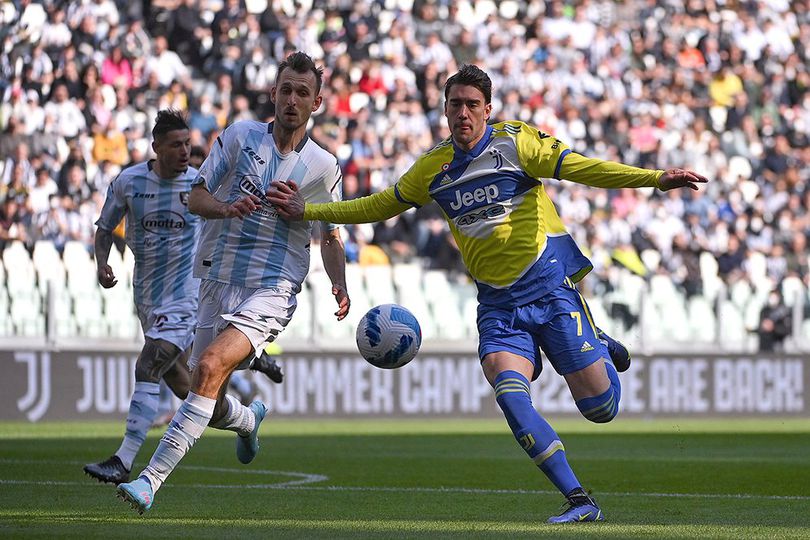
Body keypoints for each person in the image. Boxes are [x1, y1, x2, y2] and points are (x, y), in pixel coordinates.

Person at [267, 64, 708, 523]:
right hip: (497, 305)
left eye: (472, 105)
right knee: (510, 394)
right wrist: (309, 211)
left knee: (601, 409)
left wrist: (654, 178)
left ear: (487, 110)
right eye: (455, 104)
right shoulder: (433, 168)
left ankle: (596, 342)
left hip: (550, 290)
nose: (463, 113)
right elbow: (379, 205)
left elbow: (583, 168)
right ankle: (580, 500)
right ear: (444, 109)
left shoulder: (516, 143)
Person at [117, 52, 350, 513]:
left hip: (273, 286)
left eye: (302, 92)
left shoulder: (323, 167)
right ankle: (246, 419)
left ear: (317, 102)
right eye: (285, 89)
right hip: (216, 276)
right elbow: (197, 196)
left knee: (206, 366)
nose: (292, 99)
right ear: (273, 93)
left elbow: (330, 234)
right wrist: (226, 208)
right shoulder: (241, 137)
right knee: (204, 386)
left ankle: (149, 481)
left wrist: (339, 284)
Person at [83, 110, 201, 484]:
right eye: (176, 145)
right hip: (147, 297)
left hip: (187, 296)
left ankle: (124, 460)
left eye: (187, 143)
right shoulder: (129, 182)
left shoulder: (200, 185)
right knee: (188, 388)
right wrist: (102, 264)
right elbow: (104, 229)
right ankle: (245, 419)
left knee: (147, 366)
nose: (185, 151)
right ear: (156, 148)